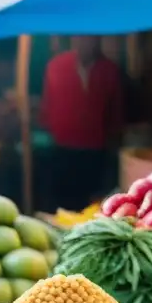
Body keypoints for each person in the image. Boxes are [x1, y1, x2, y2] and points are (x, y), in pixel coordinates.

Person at [40, 36, 124, 210]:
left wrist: (113, 140)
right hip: (62, 147)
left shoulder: (109, 70)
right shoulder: (56, 66)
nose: (85, 43)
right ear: (73, 40)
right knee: (63, 201)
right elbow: (47, 105)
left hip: (95, 149)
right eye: (81, 38)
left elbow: (116, 111)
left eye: (90, 39)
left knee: (91, 203)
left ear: (98, 41)